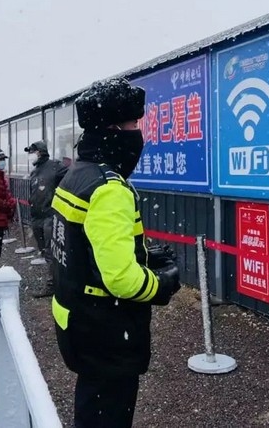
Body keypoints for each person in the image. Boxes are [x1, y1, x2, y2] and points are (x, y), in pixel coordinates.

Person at [50, 77, 181, 428]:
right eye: (133, 124)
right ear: (113, 130)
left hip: (77, 320)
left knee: (91, 410)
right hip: (106, 332)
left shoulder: (76, 175)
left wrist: (142, 255)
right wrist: (162, 284)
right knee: (108, 415)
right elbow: (121, 279)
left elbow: (83, 245)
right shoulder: (110, 189)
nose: (138, 134)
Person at [25, 139, 67, 298]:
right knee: (44, 250)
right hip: (37, 217)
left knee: (51, 252)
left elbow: (70, 179)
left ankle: (53, 285)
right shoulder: (34, 172)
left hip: (50, 216)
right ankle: (56, 280)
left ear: (40, 152)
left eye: (33, 152)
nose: (31, 155)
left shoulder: (55, 167)